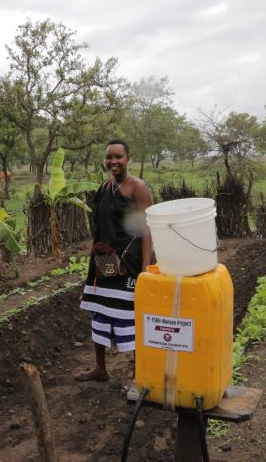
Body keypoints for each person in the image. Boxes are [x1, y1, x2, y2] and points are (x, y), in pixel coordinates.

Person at [75, 139, 152, 382]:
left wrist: (145, 270)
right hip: (104, 260)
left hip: (129, 263)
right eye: (109, 157)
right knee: (99, 310)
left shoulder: (137, 188)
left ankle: (139, 373)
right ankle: (100, 368)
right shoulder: (104, 187)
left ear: (128, 158)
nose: (113, 162)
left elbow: (147, 231)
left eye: (118, 157)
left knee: (130, 314)